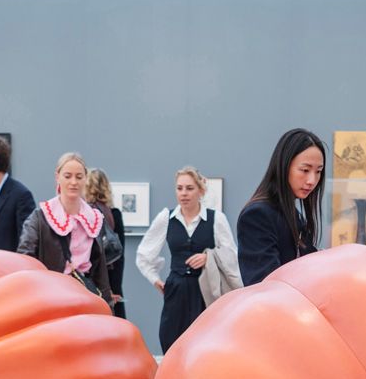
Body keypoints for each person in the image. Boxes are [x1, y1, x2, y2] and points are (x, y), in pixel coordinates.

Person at [136, 166, 239, 351]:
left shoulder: (216, 219)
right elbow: (144, 255)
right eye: (179, 188)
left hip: (205, 289)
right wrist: (156, 280)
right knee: (171, 340)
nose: (184, 193)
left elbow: (232, 255)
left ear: (201, 190)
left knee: (205, 342)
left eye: (189, 188)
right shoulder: (166, 218)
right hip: (176, 289)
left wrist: (209, 257)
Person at [17, 152, 115, 303]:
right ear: (58, 177)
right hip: (49, 296)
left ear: (85, 179)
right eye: (68, 176)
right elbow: (25, 259)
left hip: (85, 295)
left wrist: (107, 304)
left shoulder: (94, 218)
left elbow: (100, 268)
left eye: (79, 176)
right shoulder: (40, 217)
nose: (73, 182)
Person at [239, 128, 326, 285]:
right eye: (305, 170)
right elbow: (263, 283)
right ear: (284, 166)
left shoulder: (294, 215)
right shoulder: (258, 215)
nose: (312, 180)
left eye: (318, 171)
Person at [85, 168, 127, 318]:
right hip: (111, 280)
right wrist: (115, 288)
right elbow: (119, 255)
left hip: (88, 280)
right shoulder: (114, 214)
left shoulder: (84, 215)